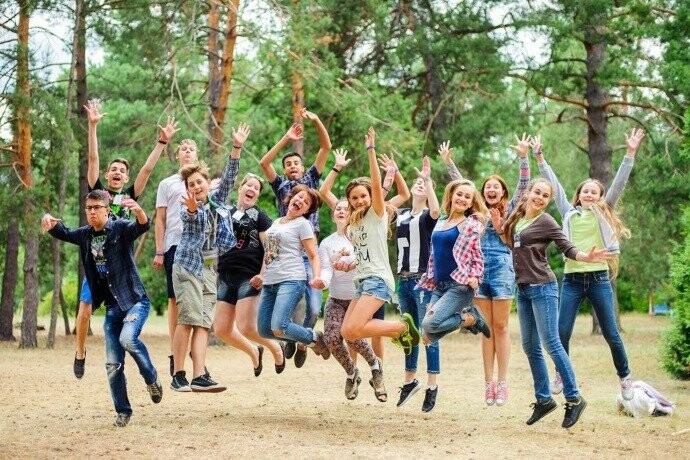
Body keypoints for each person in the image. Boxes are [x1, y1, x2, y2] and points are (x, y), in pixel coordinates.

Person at [533, 128, 645, 400]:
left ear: (600, 197)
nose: (590, 195)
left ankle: (625, 377)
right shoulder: (569, 213)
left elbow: (618, 184)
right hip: (572, 280)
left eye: (595, 192)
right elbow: (556, 187)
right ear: (579, 194)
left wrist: (630, 153)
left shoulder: (603, 211)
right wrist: (540, 159)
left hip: (598, 279)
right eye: (586, 191)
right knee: (561, 333)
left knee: (611, 333)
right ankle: (561, 374)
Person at [73, 99, 178, 379]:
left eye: (122, 170)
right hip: (97, 263)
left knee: (124, 310)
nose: (117, 172)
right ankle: (80, 352)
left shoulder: (129, 196)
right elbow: (92, 159)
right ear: (107, 175)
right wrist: (93, 126)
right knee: (84, 310)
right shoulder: (99, 194)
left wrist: (162, 142)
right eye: (113, 169)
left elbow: (147, 170)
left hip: (120, 265)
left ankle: (129, 349)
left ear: (126, 176)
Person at [43, 190, 162, 427]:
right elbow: (64, 232)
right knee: (112, 365)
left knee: (128, 339)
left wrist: (139, 212)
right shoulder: (85, 235)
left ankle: (151, 378)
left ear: (107, 210)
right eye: (88, 208)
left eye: (97, 207)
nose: (92, 212)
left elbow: (142, 226)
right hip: (112, 308)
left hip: (135, 302)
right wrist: (48, 220)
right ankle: (123, 411)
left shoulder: (120, 229)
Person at [499, 178, 612, 428]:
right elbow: (513, 245)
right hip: (523, 289)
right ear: (528, 193)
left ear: (549, 200)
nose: (540, 198)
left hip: (543, 288)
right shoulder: (518, 218)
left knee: (552, 343)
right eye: (537, 192)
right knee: (530, 346)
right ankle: (544, 399)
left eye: (545, 196)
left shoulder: (547, 221)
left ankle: (574, 398)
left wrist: (585, 257)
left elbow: (566, 246)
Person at [441, 135, 531, 406]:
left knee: (501, 326)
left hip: (502, 270)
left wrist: (524, 158)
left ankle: (502, 383)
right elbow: (462, 186)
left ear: (503, 193)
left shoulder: (511, 210)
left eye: (496, 187)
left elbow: (524, 185)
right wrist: (449, 163)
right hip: (477, 272)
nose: (491, 190)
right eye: (488, 187)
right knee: (486, 327)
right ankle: (488, 383)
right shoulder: (476, 212)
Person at [340, 127, 420, 402]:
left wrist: (371, 151)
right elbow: (360, 252)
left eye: (363, 195)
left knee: (355, 329)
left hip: (377, 279)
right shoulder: (353, 223)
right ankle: (398, 330)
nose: (359, 200)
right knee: (347, 332)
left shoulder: (377, 213)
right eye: (354, 198)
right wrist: (347, 261)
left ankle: (402, 329)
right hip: (361, 281)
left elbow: (379, 187)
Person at [169, 123, 249, 393]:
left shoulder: (218, 200)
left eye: (199, 182)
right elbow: (195, 222)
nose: (195, 187)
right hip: (188, 267)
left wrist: (236, 146)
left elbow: (229, 177)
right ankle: (178, 375)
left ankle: (199, 375)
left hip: (209, 269)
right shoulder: (187, 208)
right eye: (190, 185)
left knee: (203, 323)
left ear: (206, 182)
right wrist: (193, 209)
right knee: (188, 319)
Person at [259, 108, 331, 367]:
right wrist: (287, 138)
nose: (292, 166)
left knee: (313, 309)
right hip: (285, 252)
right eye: (288, 164)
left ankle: (303, 341)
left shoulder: (311, 180)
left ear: (302, 167)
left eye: (295, 163)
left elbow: (326, 148)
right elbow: (264, 163)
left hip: (307, 250)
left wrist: (316, 120)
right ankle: (291, 336)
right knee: (273, 321)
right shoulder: (280, 186)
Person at [417, 179, 490, 391]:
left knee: (429, 325)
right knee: (427, 334)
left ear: (471, 203)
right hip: (439, 285)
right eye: (459, 194)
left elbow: (478, 255)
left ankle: (471, 318)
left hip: (460, 285)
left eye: (468, 197)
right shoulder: (440, 222)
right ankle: (470, 319)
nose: (462, 199)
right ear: (451, 196)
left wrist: (476, 276)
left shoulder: (471, 225)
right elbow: (435, 254)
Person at [214, 172, 286, 376]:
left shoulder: (260, 216)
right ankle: (254, 351)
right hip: (225, 275)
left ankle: (275, 347)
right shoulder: (225, 212)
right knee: (221, 329)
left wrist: (263, 274)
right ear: (240, 188)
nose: (252, 189)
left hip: (249, 276)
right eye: (249, 185)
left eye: (256, 188)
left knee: (246, 327)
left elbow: (271, 248)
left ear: (257, 195)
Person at [318, 197, 383, 400]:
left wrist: (350, 262)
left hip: (358, 298)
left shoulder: (361, 236)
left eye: (346, 209)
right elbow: (326, 270)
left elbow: (366, 260)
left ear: (353, 213)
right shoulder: (327, 243)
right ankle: (351, 373)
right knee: (331, 339)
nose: (341, 211)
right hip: (336, 298)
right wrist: (322, 281)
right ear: (333, 215)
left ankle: (375, 365)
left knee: (352, 337)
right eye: (338, 208)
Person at [256, 185, 331, 360]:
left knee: (279, 326)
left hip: (291, 279)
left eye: (306, 202)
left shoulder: (303, 224)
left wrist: (317, 276)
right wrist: (261, 275)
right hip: (270, 282)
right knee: (264, 330)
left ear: (306, 211)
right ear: (292, 197)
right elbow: (269, 252)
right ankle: (312, 339)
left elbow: (313, 255)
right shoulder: (276, 222)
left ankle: (313, 338)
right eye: (300, 197)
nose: (301, 201)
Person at [153, 137, 200, 376]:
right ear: (177, 155)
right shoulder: (167, 184)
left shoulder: (202, 182)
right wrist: (159, 250)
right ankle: (175, 352)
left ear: (197, 155)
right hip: (174, 245)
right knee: (175, 300)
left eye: (191, 149)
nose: (187, 152)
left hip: (199, 247)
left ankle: (196, 355)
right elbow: (160, 220)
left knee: (198, 300)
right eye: (183, 149)